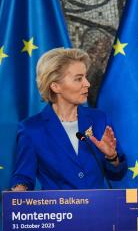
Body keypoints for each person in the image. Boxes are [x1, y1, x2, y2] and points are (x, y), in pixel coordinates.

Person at [10, 48, 127, 191]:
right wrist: (17, 194)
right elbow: (23, 177)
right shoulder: (32, 129)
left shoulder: (99, 119)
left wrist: (112, 156)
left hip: (97, 210)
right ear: (55, 86)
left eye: (85, 77)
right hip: (56, 212)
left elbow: (117, 174)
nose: (87, 84)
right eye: (79, 79)